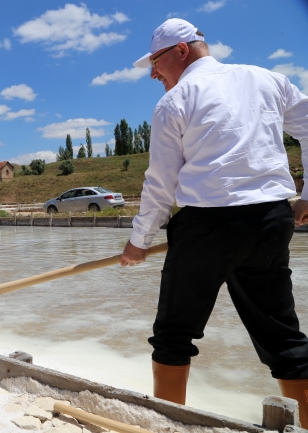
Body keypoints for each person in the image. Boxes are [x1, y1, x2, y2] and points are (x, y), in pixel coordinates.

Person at [121, 18, 308, 422]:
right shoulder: (267, 79)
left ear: (181, 51)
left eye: (155, 62)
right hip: (271, 220)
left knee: (173, 334)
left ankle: (167, 425)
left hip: (208, 226)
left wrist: (140, 240)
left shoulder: (176, 100)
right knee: (282, 334)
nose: (153, 72)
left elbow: (161, 183)